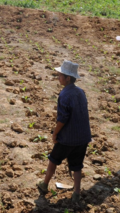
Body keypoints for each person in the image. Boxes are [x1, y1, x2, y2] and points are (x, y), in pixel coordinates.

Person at [37, 60, 92, 202]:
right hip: (83, 136)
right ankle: (76, 193)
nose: (58, 77)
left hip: (68, 138)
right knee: (77, 165)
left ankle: (44, 185)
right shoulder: (80, 92)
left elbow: (63, 118)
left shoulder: (64, 95)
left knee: (53, 160)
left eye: (60, 75)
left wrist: (55, 133)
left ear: (67, 78)